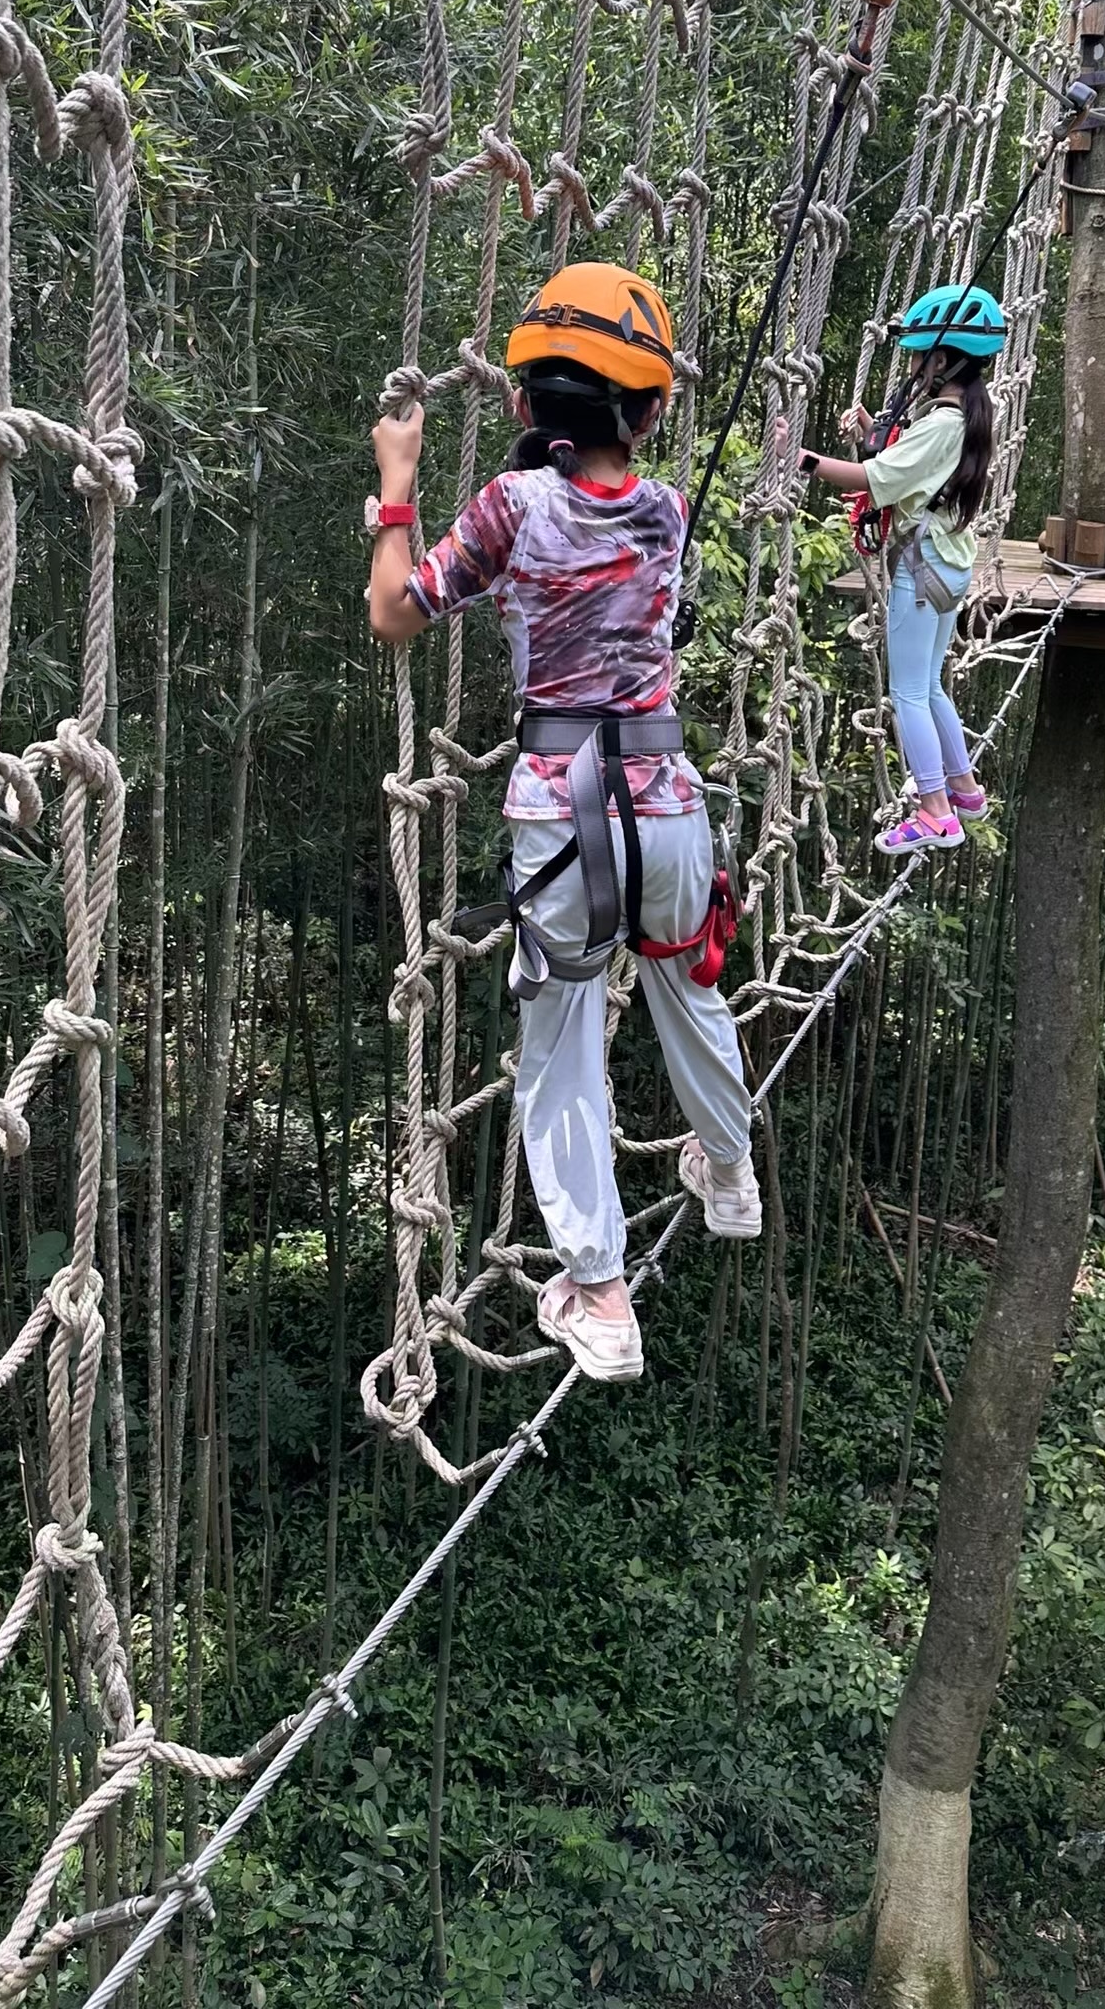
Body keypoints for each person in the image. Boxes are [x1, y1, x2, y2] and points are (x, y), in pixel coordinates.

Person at [366, 261, 760, 1387]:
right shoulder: (670, 510)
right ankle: (728, 1173)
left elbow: (398, 609)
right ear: (647, 412)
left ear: (524, 404)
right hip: (670, 803)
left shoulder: (510, 507)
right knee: (690, 983)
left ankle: (597, 1288)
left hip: (561, 817)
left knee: (562, 1046)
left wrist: (396, 488)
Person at [788, 282, 1001, 856]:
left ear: (942, 360)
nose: (911, 366)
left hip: (923, 569)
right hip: (949, 564)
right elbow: (904, 470)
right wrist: (868, 435)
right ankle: (963, 787)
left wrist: (800, 459)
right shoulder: (965, 414)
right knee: (929, 685)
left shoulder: (940, 425)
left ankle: (935, 812)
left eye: (917, 356)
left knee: (907, 692)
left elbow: (873, 480)